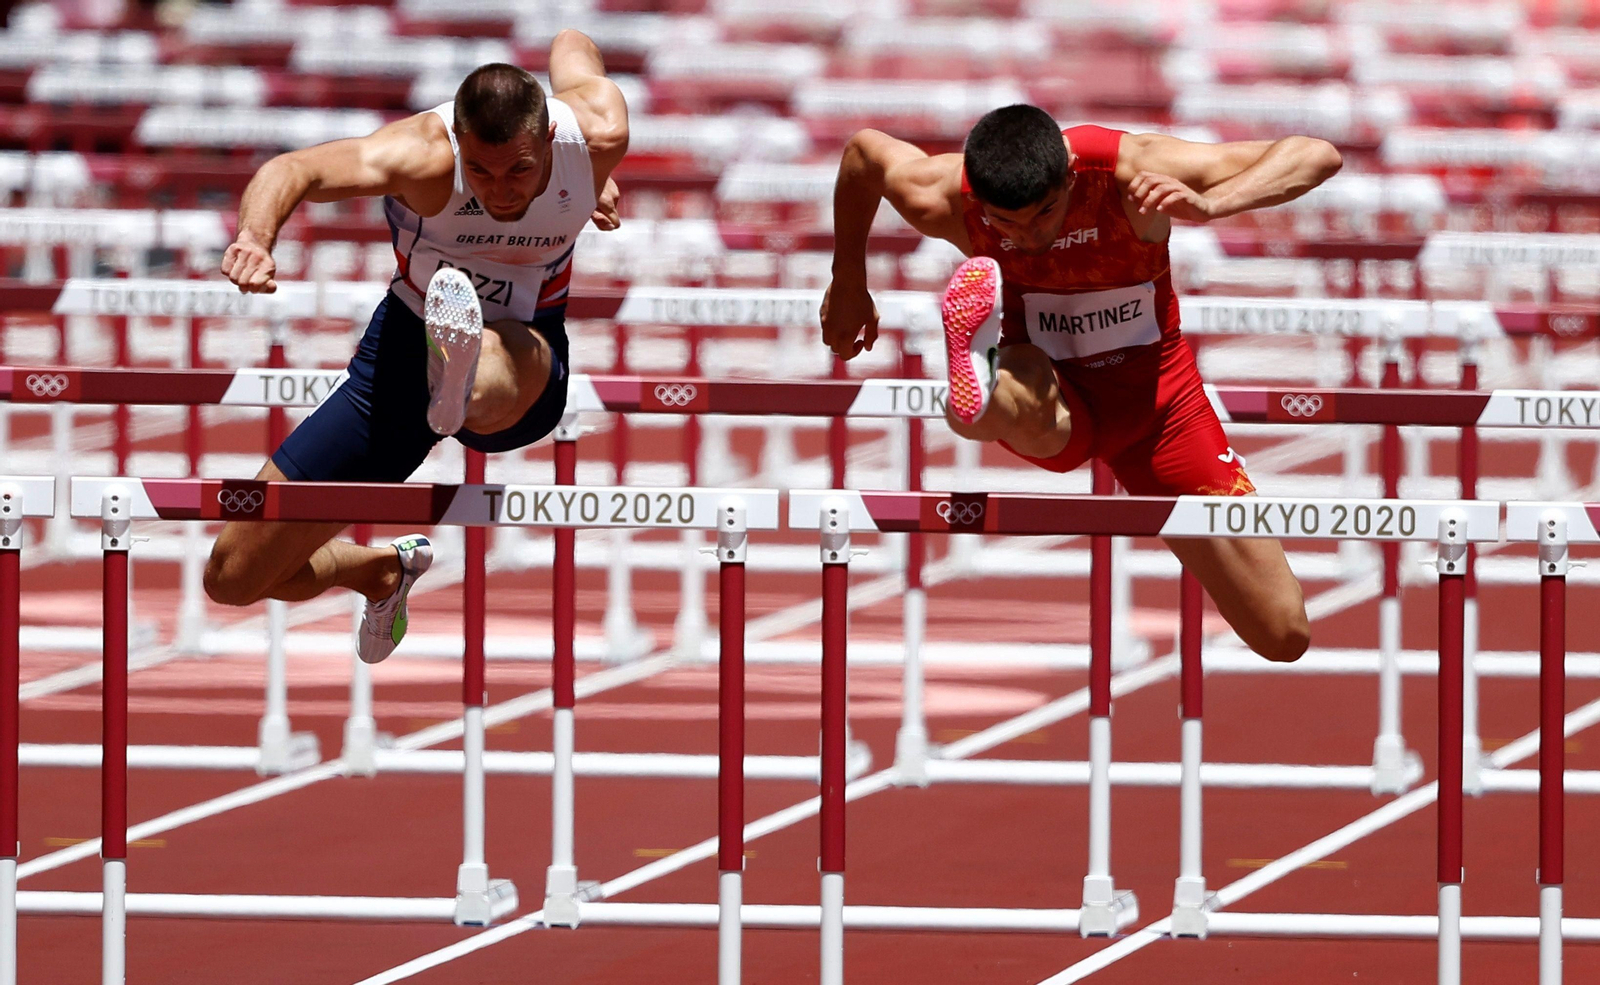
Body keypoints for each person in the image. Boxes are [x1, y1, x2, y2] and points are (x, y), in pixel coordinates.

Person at [821, 105, 1342, 662]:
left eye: (1045, 213)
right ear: (979, 198)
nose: (1030, 236)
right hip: (1053, 390)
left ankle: (979, 386)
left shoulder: (1129, 172)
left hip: (1163, 410)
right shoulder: (944, 197)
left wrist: (1215, 203)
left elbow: (1317, 155)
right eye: (1006, 223)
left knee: (1282, 632)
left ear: (1070, 174)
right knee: (1014, 398)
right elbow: (864, 153)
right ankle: (977, 382)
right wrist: (848, 275)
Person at [204, 36, 629, 664]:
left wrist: (594, 175)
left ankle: (462, 377)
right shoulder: (423, 155)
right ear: (458, 145)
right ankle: (381, 570)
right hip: (405, 345)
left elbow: (572, 42)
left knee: (491, 363)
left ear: (547, 141)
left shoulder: (597, 133)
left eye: (519, 170)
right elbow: (291, 170)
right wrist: (255, 238)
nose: (500, 191)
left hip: (526, 346)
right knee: (234, 577)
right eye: (480, 172)